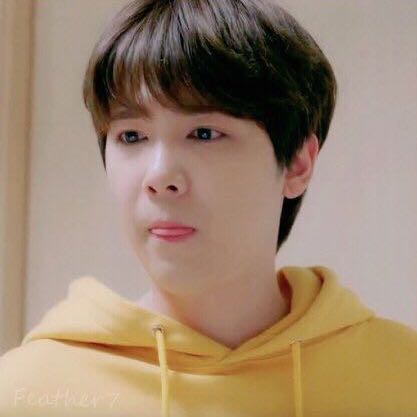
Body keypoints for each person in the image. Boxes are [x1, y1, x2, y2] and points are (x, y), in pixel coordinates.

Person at [1, 0, 416, 416]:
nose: (159, 175)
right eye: (131, 136)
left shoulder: (401, 378)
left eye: (203, 133)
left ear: (297, 163)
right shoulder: (29, 393)